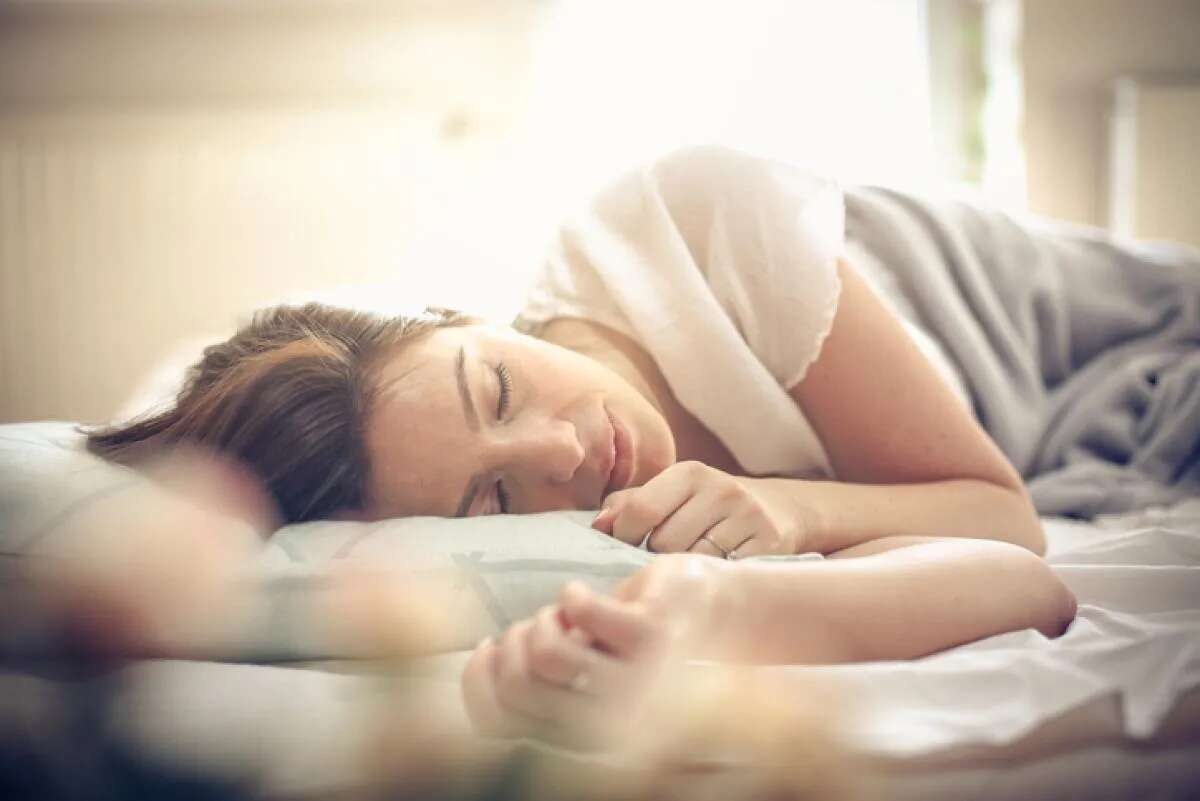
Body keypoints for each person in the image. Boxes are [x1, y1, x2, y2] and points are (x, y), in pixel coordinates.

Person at [86, 146, 1077, 742]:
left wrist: (796, 505)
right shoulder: (604, 537)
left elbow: (1004, 518)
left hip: (1073, 331)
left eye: (500, 387)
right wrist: (715, 609)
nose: (562, 456)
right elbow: (994, 574)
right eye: (498, 501)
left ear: (461, 313)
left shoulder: (695, 218)